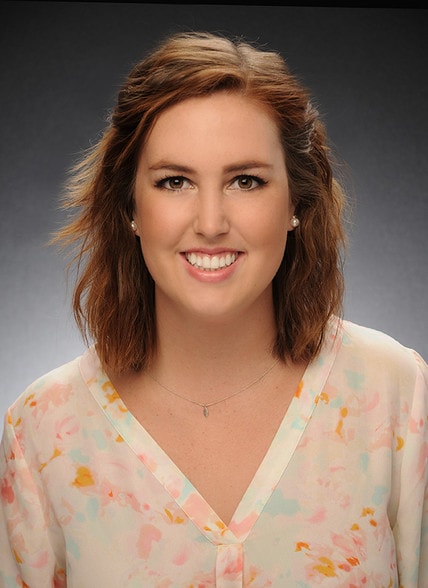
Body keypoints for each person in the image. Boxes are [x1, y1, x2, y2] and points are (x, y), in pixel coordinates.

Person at [0, 30, 426, 587]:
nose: (210, 222)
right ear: (129, 206)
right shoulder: (42, 434)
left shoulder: (398, 397)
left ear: (296, 201)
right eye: (174, 181)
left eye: (245, 181)